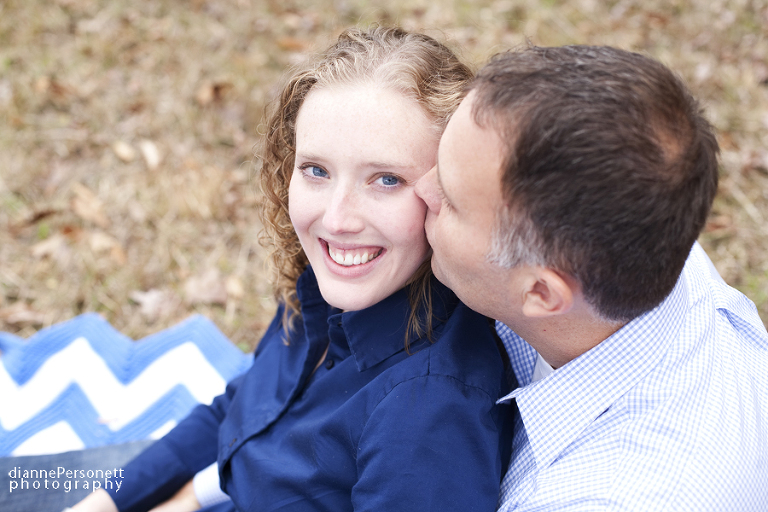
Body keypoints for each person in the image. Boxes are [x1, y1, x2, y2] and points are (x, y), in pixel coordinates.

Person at [72, 27, 511, 512]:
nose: (337, 219)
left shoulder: (427, 413)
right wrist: (113, 499)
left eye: (386, 179)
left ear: (446, 191)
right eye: (316, 171)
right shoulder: (328, 292)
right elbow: (239, 409)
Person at [415, 45, 768, 510]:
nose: (422, 188)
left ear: (541, 293)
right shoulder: (637, 209)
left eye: (453, 201)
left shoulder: (596, 497)